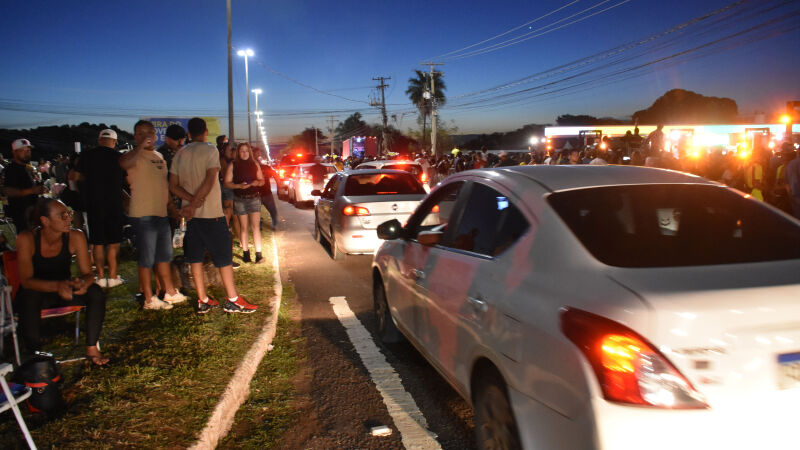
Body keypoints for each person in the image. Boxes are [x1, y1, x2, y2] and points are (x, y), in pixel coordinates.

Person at [170, 118, 258, 314]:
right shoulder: (210, 150)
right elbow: (211, 179)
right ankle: (233, 299)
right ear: (206, 131)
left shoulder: (180, 154)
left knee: (195, 258)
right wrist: (196, 203)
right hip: (211, 214)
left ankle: (203, 300)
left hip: (190, 217)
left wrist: (190, 203)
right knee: (224, 257)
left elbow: (173, 186)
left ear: (189, 133)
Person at [15, 198, 108, 365]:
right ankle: (35, 356)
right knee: (29, 298)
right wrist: (57, 286)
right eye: (62, 216)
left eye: (69, 214)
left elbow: (88, 274)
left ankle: (92, 347)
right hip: (39, 293)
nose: (68, 219)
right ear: (45, 221)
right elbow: (26, 281)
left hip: (65, 291)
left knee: (95, 291)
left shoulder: (75, 236)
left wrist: (82, 283)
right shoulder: (27, 238)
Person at [119, 120, 185, 310]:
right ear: (135, 136)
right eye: (140, 133)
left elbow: (164, 186)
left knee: (164, 256)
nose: (146, 136)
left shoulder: (159, 157)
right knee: (146, 258)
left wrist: (172, 208)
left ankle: (170, 292)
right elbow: (123, 164)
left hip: (161, 213)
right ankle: (149, 298)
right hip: (143, 214)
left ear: (156, 136)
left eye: (149, 133)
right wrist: (140, 146)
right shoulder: (132, 156)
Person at [76, 129, 125, 287]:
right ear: (114, 141)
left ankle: (100, 277)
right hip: (114, 203)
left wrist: (87, 186)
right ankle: (113, 276)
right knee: (113, 242)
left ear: (99, 140)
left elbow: (75, 176)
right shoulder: (119, 157)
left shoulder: (87, 155)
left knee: (97, 242)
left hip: (93, 204)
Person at [224, 142, 265, 264]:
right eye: (242, 150)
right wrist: (238, 186)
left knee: (255, 227)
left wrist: (257, 183)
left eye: (246, 150)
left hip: (254, 198)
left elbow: (262, 180)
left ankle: (259, 254)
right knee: (243, 227)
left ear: (250, 152)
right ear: (238, 152)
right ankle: (246, 253)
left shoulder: (254, 163)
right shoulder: (233, 164)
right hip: (240, 199)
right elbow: (227, 182)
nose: (244, 153)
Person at [4, 139, 44, 233]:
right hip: (21, 214)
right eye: (22, 151)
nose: (27, 153)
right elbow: (8, 191)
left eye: (28, 150)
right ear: (14, 152)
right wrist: (32, 191)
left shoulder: (25, 168)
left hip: (32, 213)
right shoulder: (12, 169)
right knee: (27, 242)